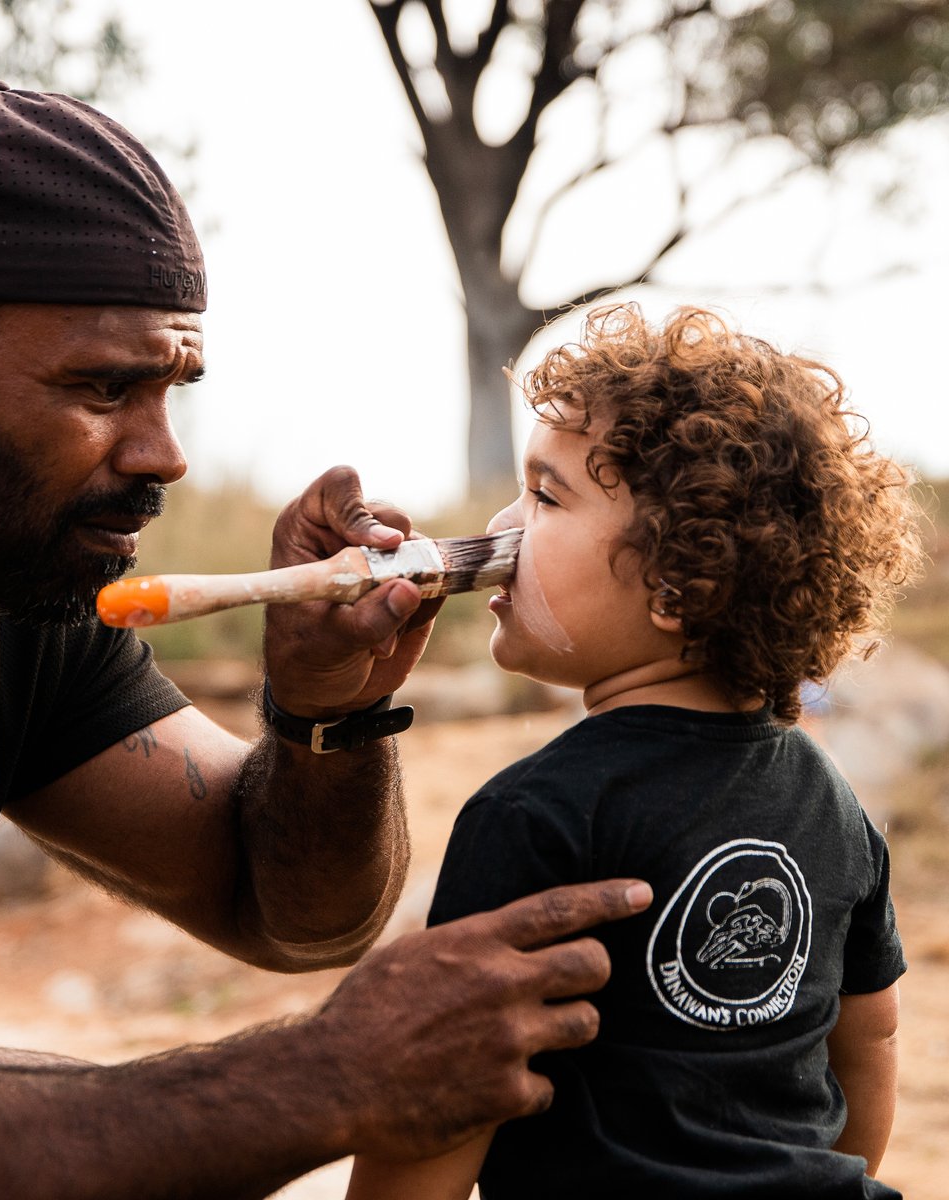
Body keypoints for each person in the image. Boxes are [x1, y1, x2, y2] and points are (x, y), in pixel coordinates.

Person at [0, 81, 655, 1198]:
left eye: (172, 387)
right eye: (103, 387)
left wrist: (325, 707)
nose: (163, 455)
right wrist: (332, 1074)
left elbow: (279, 906)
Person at [347, 303, 923, 1199]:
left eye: (544, 496)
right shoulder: (831, 800)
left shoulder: (530, 817)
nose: (500, 525)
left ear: (677, 583)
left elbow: (446, 1090)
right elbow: (871, 1040)